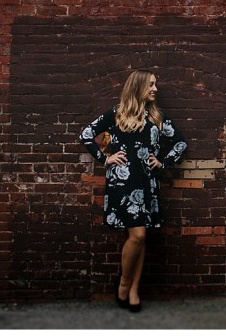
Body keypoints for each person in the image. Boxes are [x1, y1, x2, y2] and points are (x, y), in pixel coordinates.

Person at [79, 69, 187, 312]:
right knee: (137, 236)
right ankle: (124, 283)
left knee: (142, 237)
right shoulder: (117, 114)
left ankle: (134, 289)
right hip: (122, 184)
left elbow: (180, 143)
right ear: (138, 87)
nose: (155, 89)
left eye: (155, 84)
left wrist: (162, 162)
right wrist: (105, 158)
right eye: (151, 84)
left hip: (147, 183)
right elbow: (86, 135)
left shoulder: (157, 117)